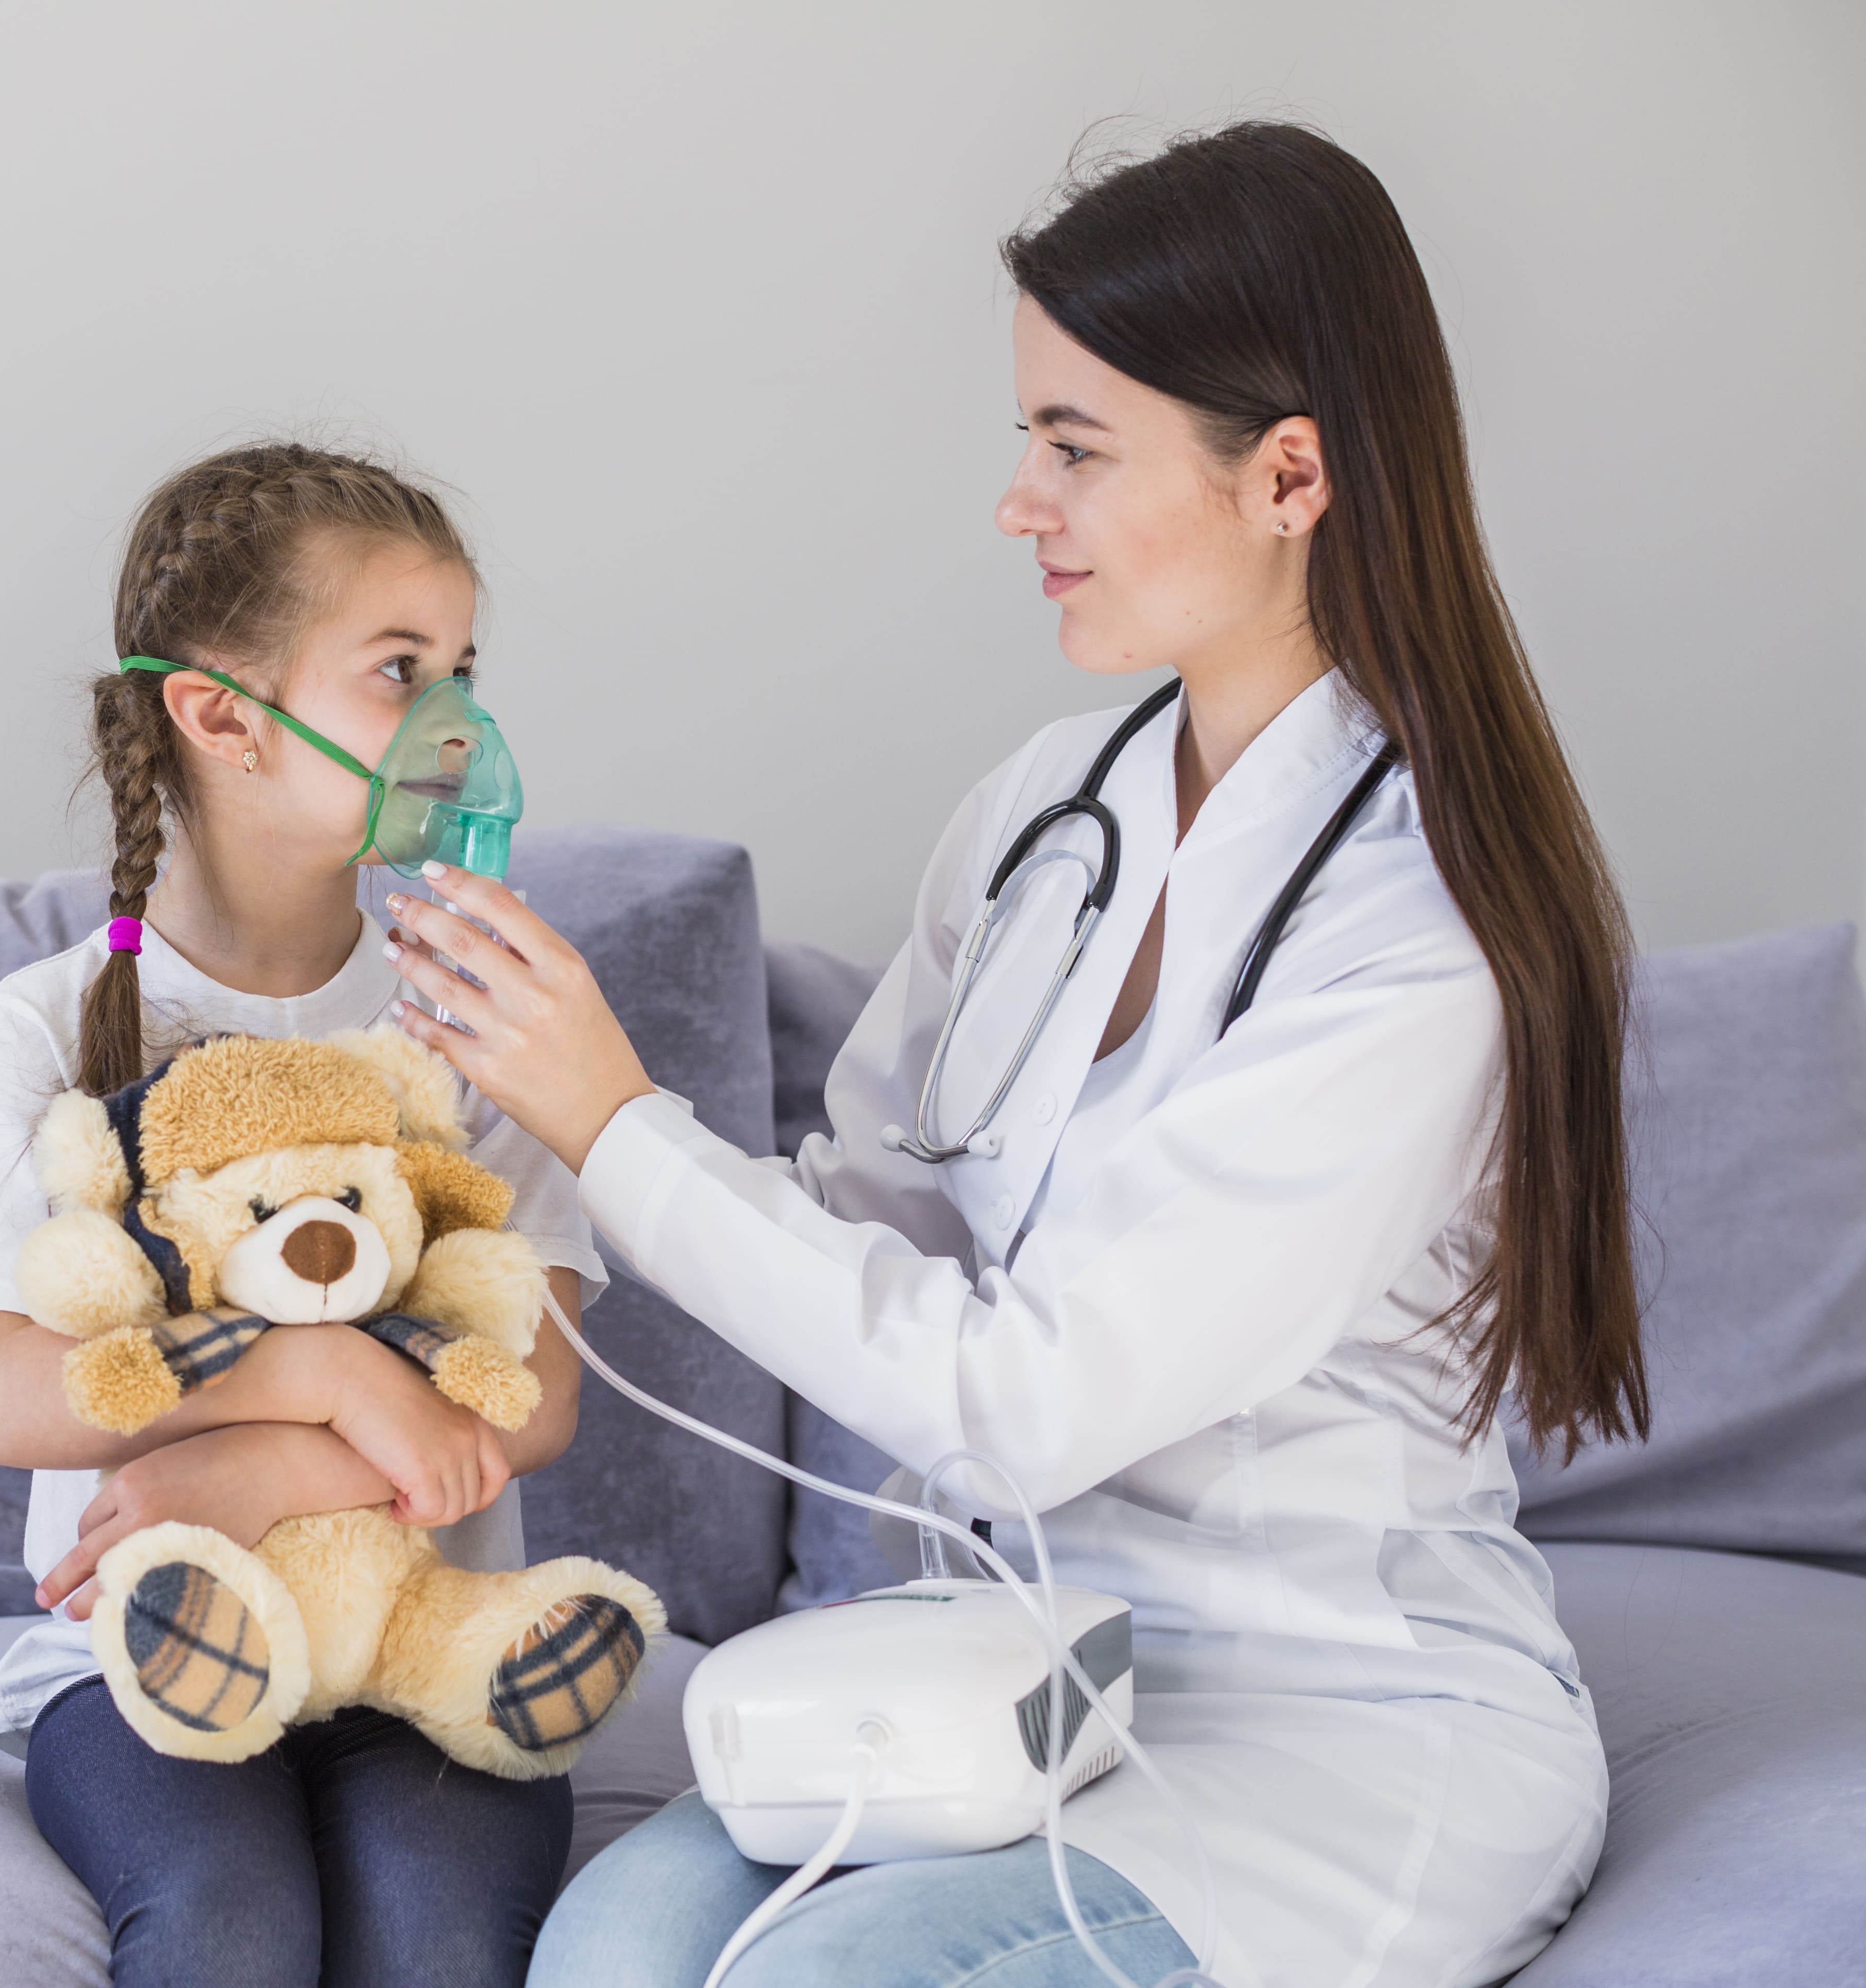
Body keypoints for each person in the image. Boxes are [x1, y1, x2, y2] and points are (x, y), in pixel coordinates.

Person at [384, 123, 1646, 1988]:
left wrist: (622, 1113)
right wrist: (503, 1121)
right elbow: (863, 1226)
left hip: (1335, 1725)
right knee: (615, 1953)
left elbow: (1026, 1402)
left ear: (1288, 473)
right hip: (1010, 1677)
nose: (1018, 504)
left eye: (1074, 445)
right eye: (1024, 441)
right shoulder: (1044, 814)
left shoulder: (1419, 929)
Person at [0, 442, 605, 1988]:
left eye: (466, 668)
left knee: (441, 1932)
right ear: (216, 717)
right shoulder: (46, 1028)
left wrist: (262, 1455)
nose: (460, 728)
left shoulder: (486, 1016)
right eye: (401, 672)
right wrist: (326, 1376)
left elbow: (533, 1395)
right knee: (227, 1928)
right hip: (134, 1648)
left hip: (425, 1635)